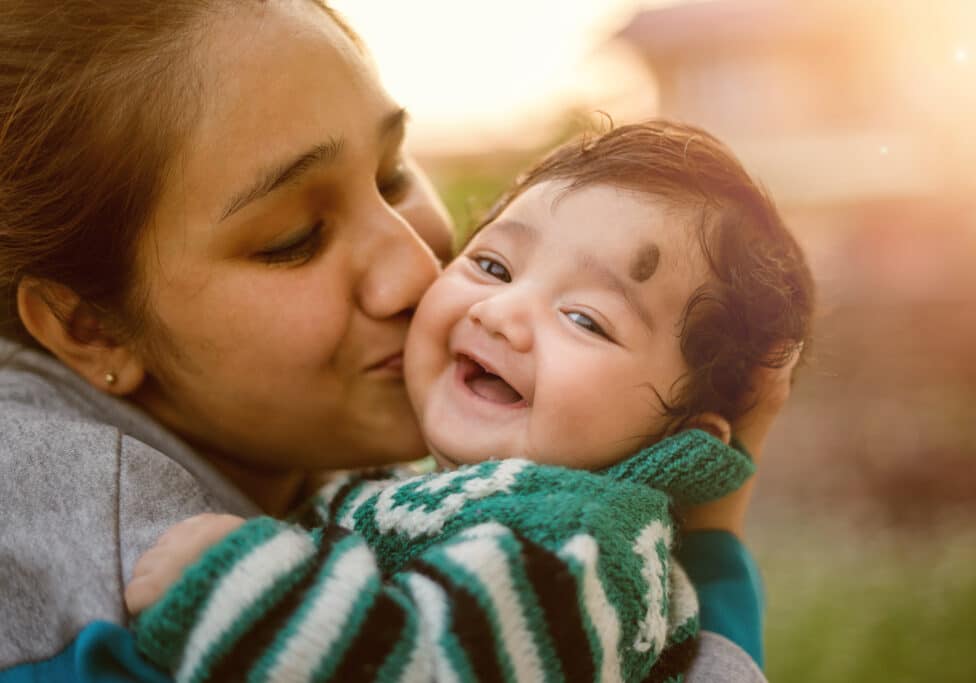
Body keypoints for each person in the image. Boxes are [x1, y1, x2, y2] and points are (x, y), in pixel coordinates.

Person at [0, 1, 793, 681]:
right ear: (88, 325)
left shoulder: (341, 452)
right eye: (296, 236)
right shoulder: (83, 586)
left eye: (392, 175)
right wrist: (714, 560)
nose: (419, 273)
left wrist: (709, 542)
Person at [123, 121, 814, 682]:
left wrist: (232, 581)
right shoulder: (444, 492)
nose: (502, 312)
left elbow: (420, 665)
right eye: (492, 266)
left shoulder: (588, 549)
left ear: (685, 444)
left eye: (586, 319)